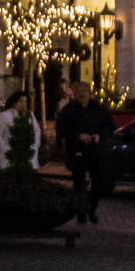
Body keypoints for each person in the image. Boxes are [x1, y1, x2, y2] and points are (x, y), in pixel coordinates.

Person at [56, 76, 115, 225]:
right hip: (77, 150)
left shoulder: (98, 108)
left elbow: (109, 126)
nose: (82, 94)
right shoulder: (69, 110)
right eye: (79, 91)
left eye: (85, 91)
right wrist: (78, 135)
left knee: (98, 183)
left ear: (89, 93)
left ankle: (92, 208)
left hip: (95, 150)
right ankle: (81, 212)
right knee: (79, 184)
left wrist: (99, 135)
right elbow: (61, 128)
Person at [0, 89, 40, 172]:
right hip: (10, 158)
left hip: (28, 157)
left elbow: (37, 131)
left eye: (25, 101)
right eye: (20, 101)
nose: (23, 104)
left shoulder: (30, 115)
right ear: (14, 102)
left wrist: (35, 146)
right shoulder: (4, 116)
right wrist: (8, 150)